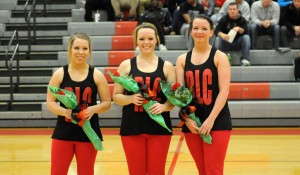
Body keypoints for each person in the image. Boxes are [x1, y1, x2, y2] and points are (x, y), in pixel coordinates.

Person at [112, 23, 176, 175]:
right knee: (136, 172)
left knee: (157, 172)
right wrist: (131, 99)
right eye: (141, 39)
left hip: (159, 128)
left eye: (150, 38)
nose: (146, 42)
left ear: (156, 40)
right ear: (136, 41)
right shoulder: (126, 65)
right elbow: (116, 97)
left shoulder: (167, 67)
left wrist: (164, 107)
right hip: (132, 127)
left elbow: (173, 100)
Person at [46, 32, 111, 175]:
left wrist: (92, 109)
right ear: (70, 49)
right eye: (76, 48)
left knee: (86, 172)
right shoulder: (59, 74)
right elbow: (50, 102)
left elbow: (107, 103)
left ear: (89, 51)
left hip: (88, 133)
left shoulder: (96, 75)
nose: (80, 52)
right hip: (63, 132)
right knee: (57, 172)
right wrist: (66, 112)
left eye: (84, 48)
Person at [175, 14, 232, 175]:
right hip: (192, 122)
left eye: (204, 28)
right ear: (191, 31)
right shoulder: (181, 60)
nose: (199, 31)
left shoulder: (219, 57)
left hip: (217, 120)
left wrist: (211, 120)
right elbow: (179, 94)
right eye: (196, 28)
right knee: (202, 171)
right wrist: (186, 120)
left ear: (211, 32)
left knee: (213, 170)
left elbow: (224, 91)